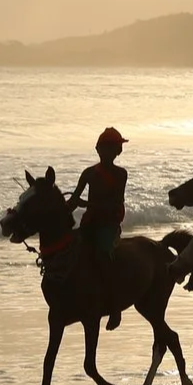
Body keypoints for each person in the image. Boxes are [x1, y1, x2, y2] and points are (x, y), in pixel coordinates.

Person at [67, 128, 129, 324]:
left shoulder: (121, 174)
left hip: (108, 224)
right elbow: (73, 200)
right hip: (90, 223)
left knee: (103, 256)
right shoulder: (88, 173)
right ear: (98, 150)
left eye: (113, 149)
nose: (109, 153)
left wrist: (87, 204)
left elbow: (116, 202)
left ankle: (115, 307)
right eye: (105, 148)